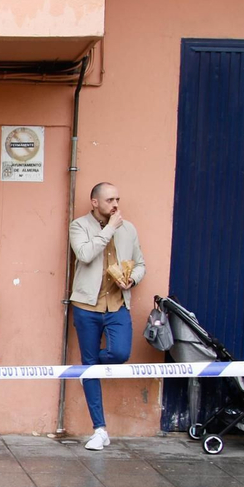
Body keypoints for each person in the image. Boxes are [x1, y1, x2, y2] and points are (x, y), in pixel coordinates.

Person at [68, 181, 147, 452]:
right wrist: (109, 229)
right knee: (89, 364)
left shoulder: (129, 229)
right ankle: (99, 430)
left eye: (118, 199)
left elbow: (140, 263)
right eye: (110, 200)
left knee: (119, 354)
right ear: (95, 202)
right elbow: (85, 254)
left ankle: (87, 370)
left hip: (117, 305)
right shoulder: (79, 226)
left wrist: (132, 280)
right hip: (86, 307)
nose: (115, 205)